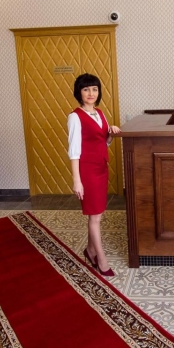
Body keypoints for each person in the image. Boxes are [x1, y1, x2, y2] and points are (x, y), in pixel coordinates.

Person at [67, 73, 121, 277]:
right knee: (95, 216)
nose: (91, 93)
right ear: (79, 92)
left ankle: (90, 251)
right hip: (87, 171)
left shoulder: (100, 113)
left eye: (94, 89)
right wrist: (77, 181)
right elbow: (74, 151)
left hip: (101, 167)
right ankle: (101, 259)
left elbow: (103, 142)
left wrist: (111, 134)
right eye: (86, 89)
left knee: (97, 212)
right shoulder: (75, 117)